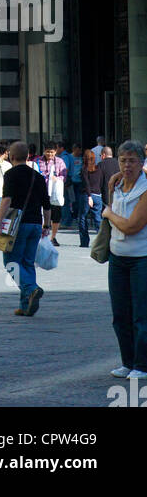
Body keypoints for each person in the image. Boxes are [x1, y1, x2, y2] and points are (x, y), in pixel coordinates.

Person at [103, 140, 147, 379]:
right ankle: (128, 362)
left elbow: (131, 226)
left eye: (132, 160)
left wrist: (109, 213)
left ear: (142, 163)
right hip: (117, 257)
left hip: (142, 258)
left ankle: (143, 365)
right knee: (120, 314)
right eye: (123, 160)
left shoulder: (145, 189)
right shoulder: (117, 184)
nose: (127, 165)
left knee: (141, 315)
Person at [0, 140, 52, 317]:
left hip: (17, 224)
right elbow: (47, 204)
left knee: (11, 262)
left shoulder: (11, 174)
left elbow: (7, 200)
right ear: (28, 156)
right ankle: (25, 305)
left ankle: (31, 288)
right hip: (36, 223)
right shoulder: (38, 176)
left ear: (11, 157)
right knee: (27, 263)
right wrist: (47, 225)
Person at [35, 143, 67, 246]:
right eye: (48, 151)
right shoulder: (38, 161)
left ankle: (53, 237)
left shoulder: (60, 161)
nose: (50, 154)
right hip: (41, 191)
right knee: (40, 213)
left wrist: (57, 179)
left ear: (55, 151)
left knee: (56, 215)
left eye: (52, 152)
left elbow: (64, 176)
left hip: (55, 192)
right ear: (44, 151)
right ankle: (41, 235)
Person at [79, 149, 104, 247]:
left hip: (87, 195)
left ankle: (84, 241)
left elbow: (86, 183)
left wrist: (89, 196)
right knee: (98, 218)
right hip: (98, 195)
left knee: (82, 217)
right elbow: (101, 182)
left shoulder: (84, 169)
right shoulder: (98, 169)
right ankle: (102, 239)